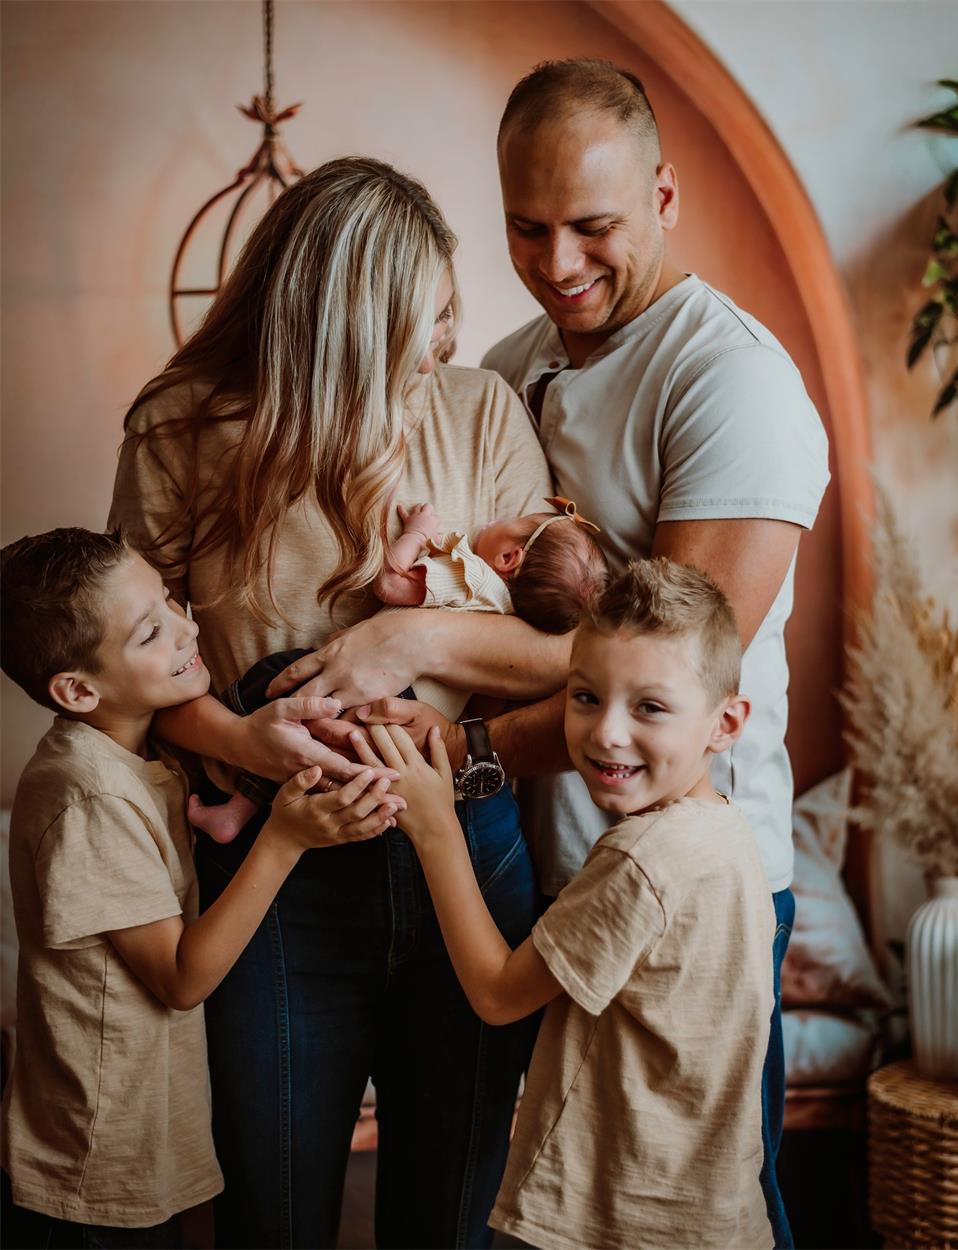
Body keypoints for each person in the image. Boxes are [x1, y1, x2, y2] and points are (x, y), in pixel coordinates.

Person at [266, 60, 830, 1246]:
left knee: (708, 1194)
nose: (560, 261)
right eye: (528, 228)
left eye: (594, 225)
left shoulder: (731, 380)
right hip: (543, 862)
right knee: (577, 1191)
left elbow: (672, 669)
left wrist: (427, 674)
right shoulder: (514, 363)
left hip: (683, 881)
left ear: (665, 199)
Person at [109, 157, 553, 1250]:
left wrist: (404, 634)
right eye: (422, 320)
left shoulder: (477, 411)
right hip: (275, 883)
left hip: (465, 851)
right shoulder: (178, 430)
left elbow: (561, 651)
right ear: (342, 318)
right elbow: (125, 677)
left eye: (449, 316)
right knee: (274, 1213)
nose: (441, 345)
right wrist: (241, 741)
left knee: (449, 1219)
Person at [358, 559, 775, 1250]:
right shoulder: (729, 836)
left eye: (649, 707)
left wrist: (434, 824)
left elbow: (496, 993)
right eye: (586, 697)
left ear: (724, 723)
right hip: (717, 1214)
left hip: (625, 1220)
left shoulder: (640, 861)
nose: (607, 732)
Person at [0, 528, 396, 1250]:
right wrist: (284, 839)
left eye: (169, 599)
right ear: (79, 689)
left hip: (139, 1137)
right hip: (93, 1161)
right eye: (152, 631)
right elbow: (180, 979)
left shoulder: (136, 751)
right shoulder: (86, 795)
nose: (188, 626)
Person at [190, 495, 607, 847]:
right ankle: (237, 813)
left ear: (508, 557)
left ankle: (230, 781)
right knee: (304, 746)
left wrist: (416, 533)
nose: (496, 517)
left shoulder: (471, 576)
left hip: (374, 689)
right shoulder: (508, 620)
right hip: (406, 725)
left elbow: (390, 584)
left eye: (513, 521)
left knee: (278, 686)